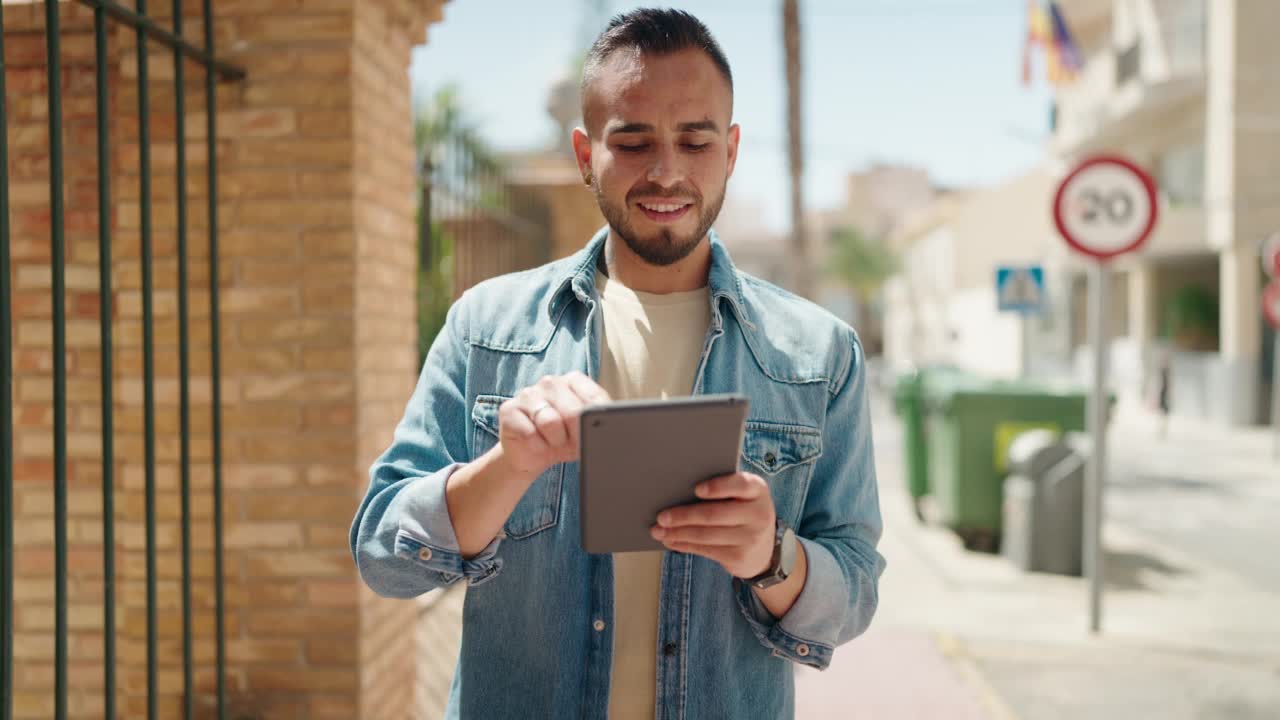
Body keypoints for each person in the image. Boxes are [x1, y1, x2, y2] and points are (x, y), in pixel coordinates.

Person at [350, 9, 885, 719]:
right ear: (584, 154)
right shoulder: (486, 328)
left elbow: (854, 595)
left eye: (694, 141)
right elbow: (383, 554)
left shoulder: (821, 354)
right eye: (633, 142)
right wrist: (508, 466)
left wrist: (769, 554)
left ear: (728, 152)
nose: (666, 171)